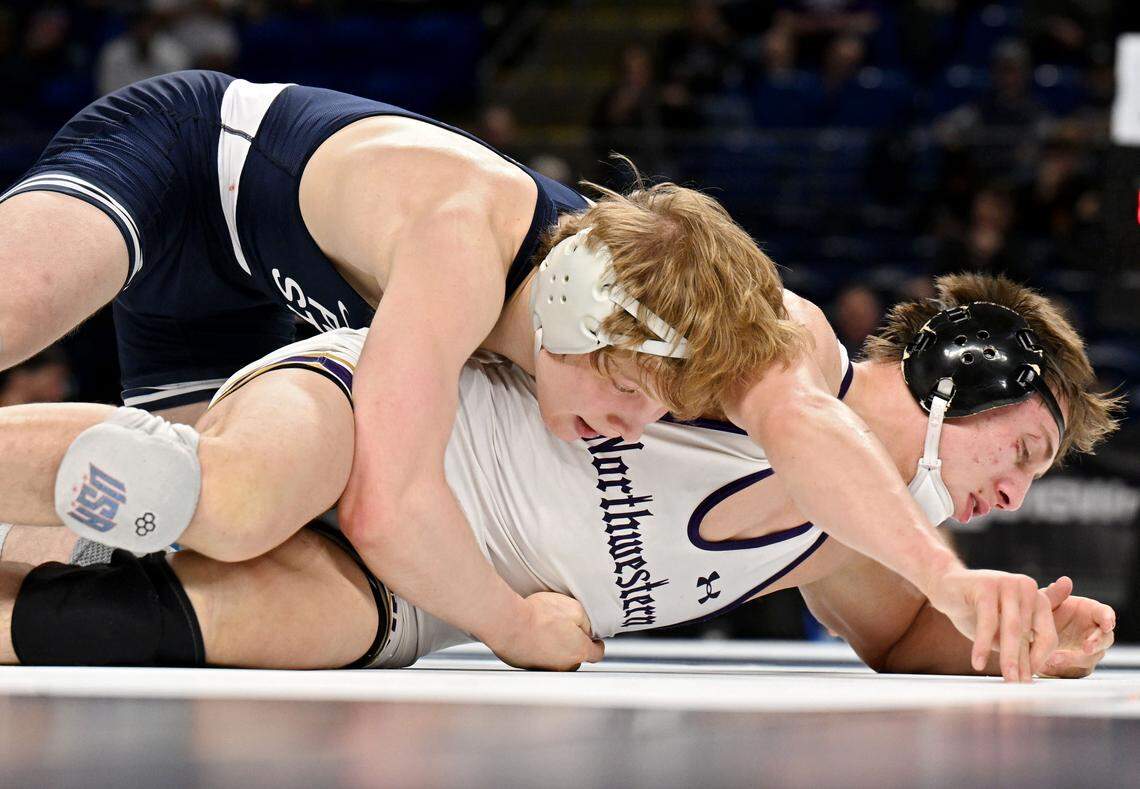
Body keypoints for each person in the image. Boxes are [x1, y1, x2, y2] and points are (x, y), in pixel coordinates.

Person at [0, 71, 1064, 671]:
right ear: (573, 328)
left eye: (662, 406)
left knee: (128, 543)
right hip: (195, 168)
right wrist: (513, 628)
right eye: (1022, 447)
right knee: (224, 498)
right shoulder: (470, 248)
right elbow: (387, 496)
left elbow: (795, 419)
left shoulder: (674, 318)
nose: (636, 422)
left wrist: (999, 623)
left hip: (279, 315)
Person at [0, 274, 1122, 680]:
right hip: (383, 425)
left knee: (113, 623)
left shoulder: (843, 544)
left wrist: (1020, 642)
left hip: (407, 598)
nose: (1014, 496)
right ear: (947, 382)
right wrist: (948, 575)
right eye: (1021, 451)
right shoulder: (785, 338)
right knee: (233, 499)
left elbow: (902, 643)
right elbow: (798, 429)